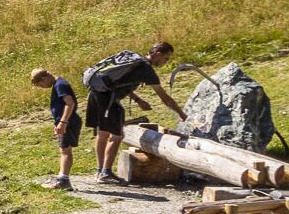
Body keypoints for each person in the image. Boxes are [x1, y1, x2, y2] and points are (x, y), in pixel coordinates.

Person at [79, 39, 184, 182]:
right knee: (117, 136)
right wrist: (182, 114)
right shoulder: (146, 70)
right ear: (158, 54)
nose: (166, 62)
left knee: (102, 134)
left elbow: (117, 82)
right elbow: (165, 98)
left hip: (96, 93)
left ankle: (100, 171)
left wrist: (138, 100)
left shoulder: (133, 59)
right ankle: (105, 173)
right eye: (166, 58)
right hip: (109, 100)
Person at [30, 67, 81, 188]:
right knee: (64, 150)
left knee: (65, 151)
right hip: (66, 121)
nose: (42, 87)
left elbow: (70, 103)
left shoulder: (60, 85)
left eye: (41, 84)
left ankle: (64, 181)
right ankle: (62, 178)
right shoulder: (58, 84)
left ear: (44, 77)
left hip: (68, 122)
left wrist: (63, 122)